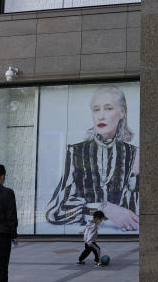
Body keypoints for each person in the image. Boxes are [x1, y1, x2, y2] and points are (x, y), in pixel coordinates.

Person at [46, 85, 139, 233]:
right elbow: (54, 212)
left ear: (122, 112)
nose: (101, 116)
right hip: (84, 235)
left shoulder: (134, 154)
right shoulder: (76, 151)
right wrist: (103, 208)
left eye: (108, 108)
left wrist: (135, 178)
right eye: (96, 109)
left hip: (123, 236)